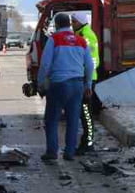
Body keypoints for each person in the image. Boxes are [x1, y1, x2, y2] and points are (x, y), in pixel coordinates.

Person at [35, 11, 94, 163]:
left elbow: (45, 64)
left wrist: (41, 84)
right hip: (77, 85)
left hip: (58, 84)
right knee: (73, 119)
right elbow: (89, 65)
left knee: (52, 119)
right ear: (69, 24)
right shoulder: (81, 41)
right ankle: (69, 152)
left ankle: (52, 151)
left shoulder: (54, 39)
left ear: (57, 25)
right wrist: (88, 84)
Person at [72, 14, 100, 153]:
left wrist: (87, 81)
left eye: (74, 21)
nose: (72, 24)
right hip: (83, 78)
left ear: (81, 22)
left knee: (86, 112)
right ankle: (86, 141)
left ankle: (88, 143)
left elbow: (92, 61)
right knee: (83, 112)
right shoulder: (80, 34)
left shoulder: (87, 36)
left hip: (87, 79)